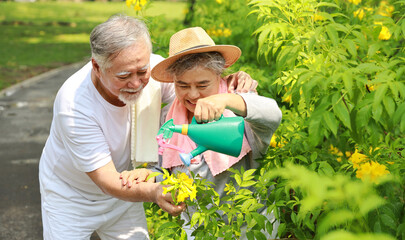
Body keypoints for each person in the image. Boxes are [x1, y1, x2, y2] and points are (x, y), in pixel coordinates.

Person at [38, 15, 257, 240]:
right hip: (71, 197)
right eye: (123, 76)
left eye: (142, 72)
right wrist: (154, 190)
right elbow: (106, 180)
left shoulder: (153, 69)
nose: (136, 83)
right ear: (97, 66)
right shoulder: (74, 106)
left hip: (128, 187)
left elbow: (193, 96)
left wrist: (228, 84)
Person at [121, 27, 282, 239]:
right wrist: (149, 175)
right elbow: (166, 171)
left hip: (250, 230)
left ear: (220, 75)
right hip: (199, 231)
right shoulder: (168, 118)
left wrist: (225, 100)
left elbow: (273, 115)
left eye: (203, 84)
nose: (193, 94)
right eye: (183, 85)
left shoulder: (239, 105)